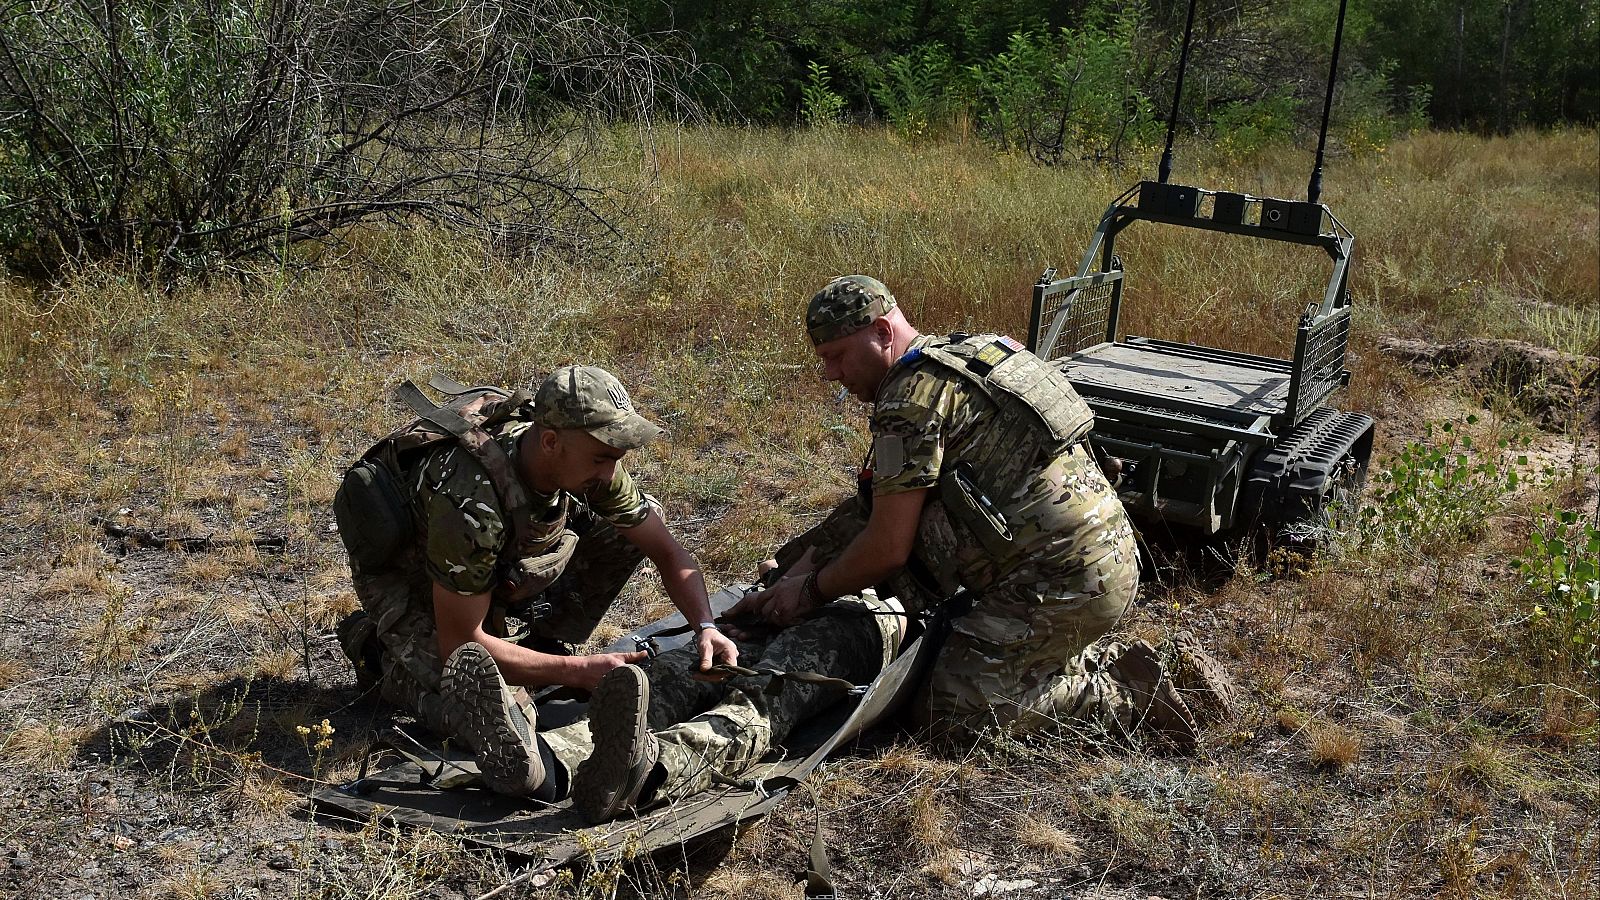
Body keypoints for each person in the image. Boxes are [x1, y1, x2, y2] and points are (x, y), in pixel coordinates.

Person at [722, 275, 1236, 749]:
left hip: (1059, 581)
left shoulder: (909, 402)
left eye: (837, 356)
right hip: (1107, 557)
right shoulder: (970, 355)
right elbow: (872, 507)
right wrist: (788, 568)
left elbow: (886, 547)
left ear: (881, 332)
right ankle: (1069, 660)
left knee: (952, 712)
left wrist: (810, 592)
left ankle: (1131, 695)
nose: (832, 374)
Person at [333, 365, 738, 799]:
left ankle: (543, 647)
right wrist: (578, 672)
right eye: (601, 458)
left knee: (628, 529)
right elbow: (461, 643)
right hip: (409, 581)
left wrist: (705, 626)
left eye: (615, 458)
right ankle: (377, 652)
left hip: (479, 570)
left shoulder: (586, 459)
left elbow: (668, 552)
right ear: (550, 442)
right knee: (483, 706)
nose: (609, 473)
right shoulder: (471, 506)